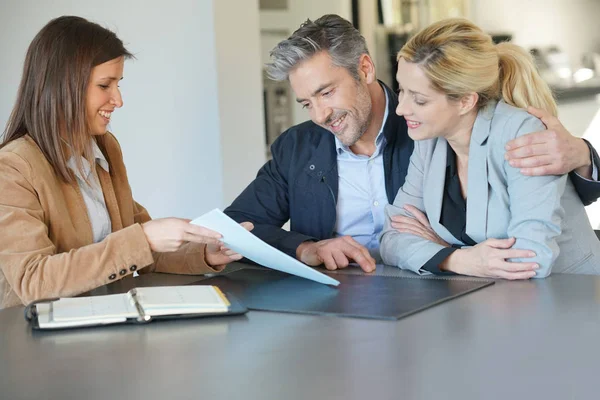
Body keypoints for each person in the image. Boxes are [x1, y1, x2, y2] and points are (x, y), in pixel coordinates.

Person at [225, 14, 600, 274]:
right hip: (405, 299)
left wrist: (583, 154)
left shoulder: (434, 129)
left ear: (366, 69)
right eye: (307, 103)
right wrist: (306, 248)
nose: (320, 114)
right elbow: (236, 227)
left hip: (547, 301)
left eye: (326, 92)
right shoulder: (300, 147)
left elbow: (526, 247)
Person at [0, 16, 250, 309]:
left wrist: (205, 253)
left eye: (117, 84)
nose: (117, 100)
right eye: (105, 85)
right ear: (62, 85)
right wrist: (144, 238)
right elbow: (33, 280)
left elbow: (142, 249)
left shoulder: (104, 149)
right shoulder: (13, 169)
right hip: (38, 337)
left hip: (103, 319)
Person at [379, 18, 600, 279]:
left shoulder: (521, 133)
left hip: (570, 297)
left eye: (419, 99)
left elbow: (531, 260)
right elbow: (392, 238)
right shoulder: (429, 141)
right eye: (401, 90)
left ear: (465, 101)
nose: (400, 108)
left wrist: (442, 250)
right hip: (492, 302)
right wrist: (455, 258)